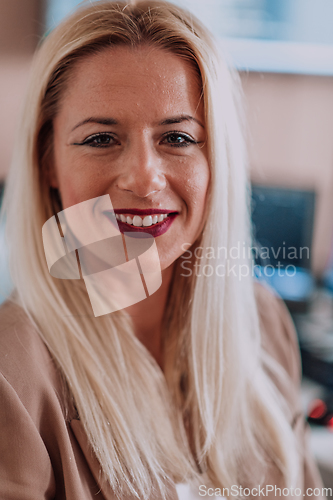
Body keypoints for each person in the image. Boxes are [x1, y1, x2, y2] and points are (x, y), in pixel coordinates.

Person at [0, 1, 325, 499]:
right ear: (47, 162)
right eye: (101, 138)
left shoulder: (264, 323)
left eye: (177, 137)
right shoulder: (11, 369)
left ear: (217, 159)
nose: (145, 178)